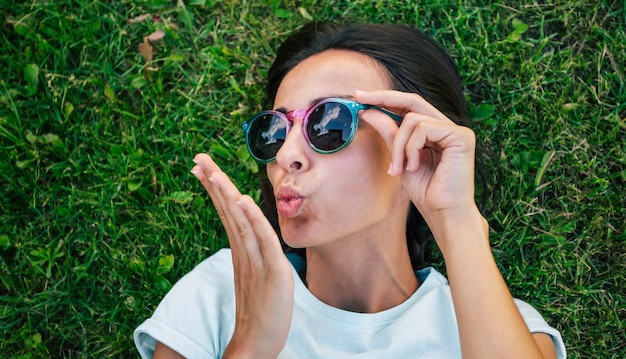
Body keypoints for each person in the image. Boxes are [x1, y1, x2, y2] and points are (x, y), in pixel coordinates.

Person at [134, 22, 566, 358]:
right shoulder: (221, 293)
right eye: (274, 130)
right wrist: (250, 347)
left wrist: (457, 220)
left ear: (414, 143)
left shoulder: (498, 324)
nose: (286, 155)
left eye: (329, 122)